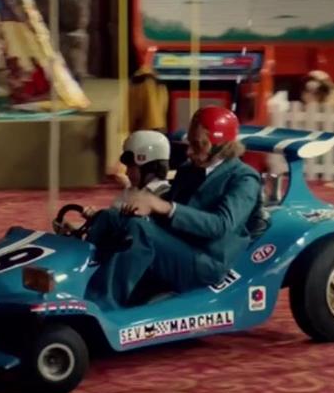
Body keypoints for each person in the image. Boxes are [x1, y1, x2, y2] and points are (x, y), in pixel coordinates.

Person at [85, 105, 264, 309]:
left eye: (198, 145)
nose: (189, 151)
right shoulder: (189, 170)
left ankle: (103, 305)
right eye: (190, 143)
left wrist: (163, 206)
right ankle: (81, 278)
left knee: (139, 230)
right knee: (112, 217)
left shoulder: (244, 178)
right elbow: (166, 212)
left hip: (206, 261)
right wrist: (139, 210)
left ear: (221, 145)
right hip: (178, 245)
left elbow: (221, 226)